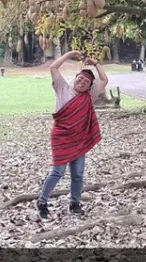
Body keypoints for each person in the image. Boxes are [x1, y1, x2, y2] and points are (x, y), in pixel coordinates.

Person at [36, 50, 108, 219]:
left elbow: (104, 80)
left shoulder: (89, 95)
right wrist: (69, 55)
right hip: (61, 136)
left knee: (78, 174)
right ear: (75, 78)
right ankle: (42, 201)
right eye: (80, 78)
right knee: (57, 172)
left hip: (79, 139)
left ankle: (75, 204)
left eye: (86, 81)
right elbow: (53, 67)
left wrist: (96, 63)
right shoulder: (62, 88)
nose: (82, 82)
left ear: (90, 86)